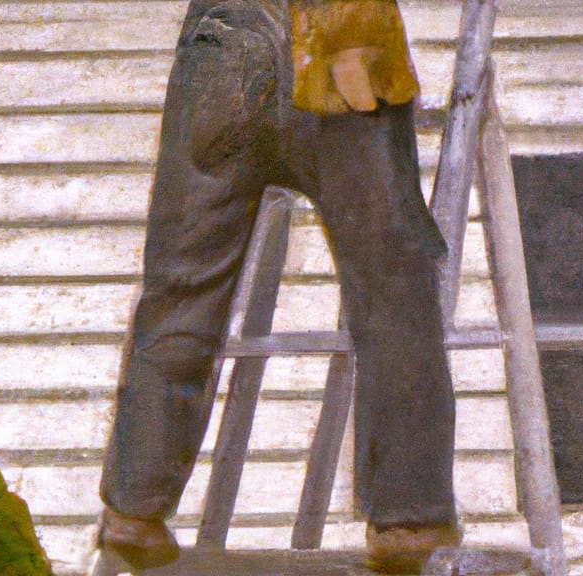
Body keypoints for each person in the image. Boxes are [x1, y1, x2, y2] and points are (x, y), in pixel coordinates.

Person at [95, 0, 460, 573]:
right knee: (394, 292)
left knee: (183, 285)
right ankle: (409, 517)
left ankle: (134, 512)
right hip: (345, 38)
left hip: (225, 40)